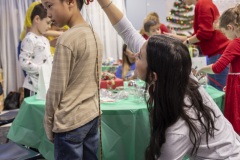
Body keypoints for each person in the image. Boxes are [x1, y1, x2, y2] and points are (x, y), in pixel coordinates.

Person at [96, 0, 240, 159]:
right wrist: (104, 2)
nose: (136, 54)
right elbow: (127, 31)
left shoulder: (178, 126)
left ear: (153, 76)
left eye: (140, 56)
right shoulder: (179, 75)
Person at [42, 0, 103, 159]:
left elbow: (56, 89)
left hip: (70, 121)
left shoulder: (67, 39)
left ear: (70, 2)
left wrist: (49, 123)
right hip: (91, 115)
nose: (48, 15)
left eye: (49, 6)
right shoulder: (94, 35)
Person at [165, 0, 230, 91]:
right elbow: (200, 35)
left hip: (218, 53)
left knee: (220, 90)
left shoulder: (202, 4)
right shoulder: (204, 3)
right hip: (216, 53)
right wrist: (177, 37)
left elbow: (204, 33)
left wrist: (187, 43)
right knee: (216, 89)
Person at [196, 5, 240, 135]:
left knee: (236, 120)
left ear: (230, 28)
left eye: (225, 33)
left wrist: (201, 70)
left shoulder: (235, 43)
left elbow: (217, 68)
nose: (226, 37)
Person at [19, 3, 52, 98]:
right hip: (32, 87)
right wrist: (43, 70)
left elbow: (47, 60)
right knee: (33, 111)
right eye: (48, 22)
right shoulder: (29, 39)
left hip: (44, 85)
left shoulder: (45, 39)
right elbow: (23, 62)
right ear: (37, 19)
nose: (49, 27)